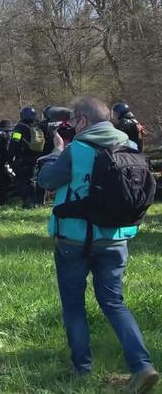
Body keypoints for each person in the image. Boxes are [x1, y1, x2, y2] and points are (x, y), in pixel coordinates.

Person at [37, 96, 158, 390]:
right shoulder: (129, 146)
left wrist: (56, 151)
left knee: (74, 306)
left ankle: (83, 371)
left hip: (74, 240)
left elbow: (46, 181)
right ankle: (142, 366)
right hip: (116, 239)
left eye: (73, 121)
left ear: (83, 121)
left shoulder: (75, 150)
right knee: (115, 303)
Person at [10, 107, 44, 209]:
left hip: (23, 158)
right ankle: (36, 202)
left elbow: (14, 142)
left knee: (23, 181)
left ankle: (28, 203)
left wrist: (11, 156)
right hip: (34, 157)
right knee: (32, 180)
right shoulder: (36, 127)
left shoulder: (19, 128)